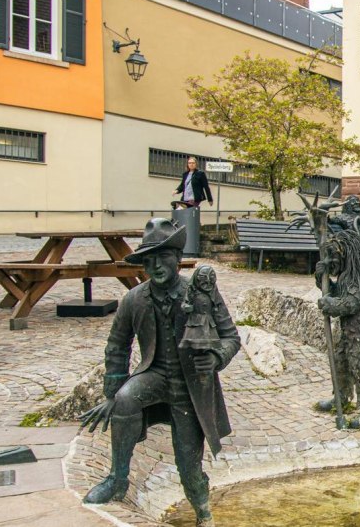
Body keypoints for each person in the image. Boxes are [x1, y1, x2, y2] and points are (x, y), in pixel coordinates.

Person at [79, 219, 240, 526]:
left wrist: (217, 357)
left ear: (177, 260)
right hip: (155, 376)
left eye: (161, 258)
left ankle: (203, 513)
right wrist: (112, 394)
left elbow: (231, 337)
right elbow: (117, 346)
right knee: (127, 398)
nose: (154, 266)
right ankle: (117, 478)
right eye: (148, 260)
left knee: (188, 464)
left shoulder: (200, 292)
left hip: (191, 390)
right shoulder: (134, 299)